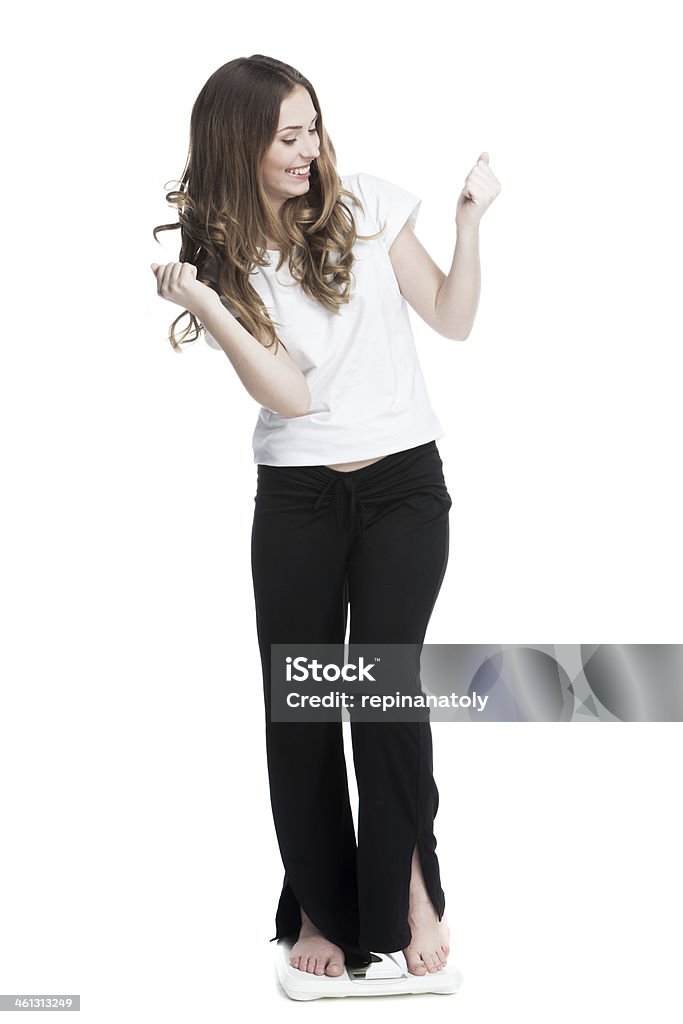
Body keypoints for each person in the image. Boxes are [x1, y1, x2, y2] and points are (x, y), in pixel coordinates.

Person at [150, 54, 501, 980]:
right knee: (302, 702)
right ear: (241, 146)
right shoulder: (223, 252)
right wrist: (206, 306)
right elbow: (291, 397)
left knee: (381, 689)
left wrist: (468, 227)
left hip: (403, 486)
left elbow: (452, 319)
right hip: (300, 494)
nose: (311, 149)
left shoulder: (371, 204)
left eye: (313, 127)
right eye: (288, 136)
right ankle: (316, 903)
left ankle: (410, 889)